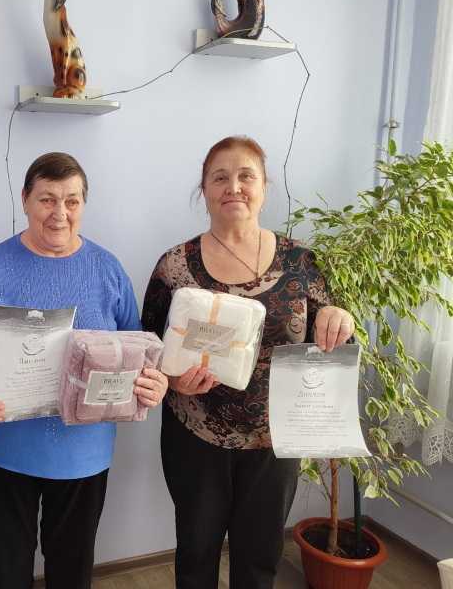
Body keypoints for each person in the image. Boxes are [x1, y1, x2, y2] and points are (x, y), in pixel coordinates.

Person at [0, 152, 168, 589]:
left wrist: (150, 383)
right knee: (6, 573)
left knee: (72, 574)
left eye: (72, 201)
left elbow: (135, 351)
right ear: (25, 199)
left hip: (84, 455)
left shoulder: (107, 270)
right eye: (47, 199)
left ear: (83, 205)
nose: (60, 213)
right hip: (1, 449)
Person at [141, 136, 355, 589]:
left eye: (245, 176)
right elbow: (148, 350)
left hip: (274, 441)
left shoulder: (300, 261)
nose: (233, 187)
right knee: (196, 555)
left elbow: (330, 331)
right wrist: (173, 381)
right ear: (204, 189)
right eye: (220, 177)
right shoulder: (174, 267)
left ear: (264, 187)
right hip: (194, 437)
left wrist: (340, 317)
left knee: (259, 560)